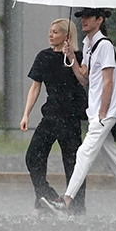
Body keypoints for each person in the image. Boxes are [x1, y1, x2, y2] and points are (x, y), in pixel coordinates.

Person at [40, 8, 116, 217]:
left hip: (104, 113)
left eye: (88, 17)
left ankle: (65, 202)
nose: (83, 20)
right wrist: (72, 57)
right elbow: (84, 79)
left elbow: (108, 81)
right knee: (114, 161)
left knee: (83, 153)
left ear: (99, 20)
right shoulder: (88, 45)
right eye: (82, 17)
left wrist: (102, 112)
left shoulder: (104, 45)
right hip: (96, 113)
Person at [20, 19, 88, 215]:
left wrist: (71, 57)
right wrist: (26, 114)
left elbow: (84, 79)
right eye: (50, 31)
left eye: (56, 32)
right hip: (51, 115)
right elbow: (35, 87)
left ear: (67, 36)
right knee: (34, 156)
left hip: (71, 116)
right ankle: (47, 197)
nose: (51, 35)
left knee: (73, 163)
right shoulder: (44, 56)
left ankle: (77, 207)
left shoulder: (78, 56)